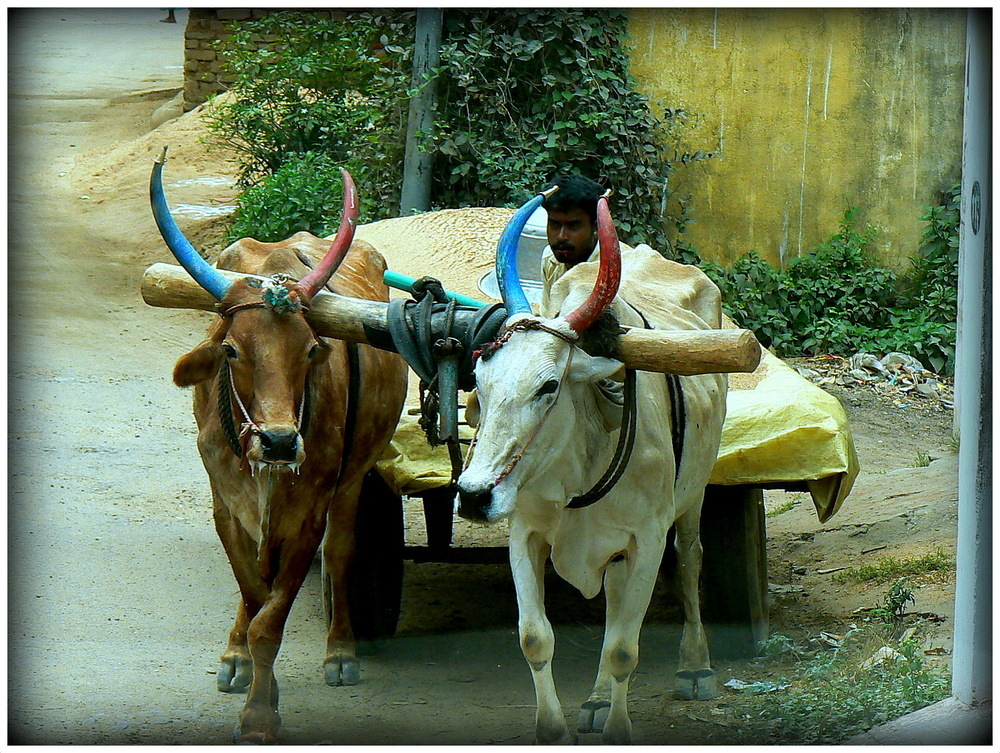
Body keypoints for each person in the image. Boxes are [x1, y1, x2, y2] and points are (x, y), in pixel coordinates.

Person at [538, 173, 605, 314]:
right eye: (554, 224)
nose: (561, 237)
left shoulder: (616, 270)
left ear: (596, 227)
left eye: (573, 226)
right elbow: (547, 316)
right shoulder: (549, 259)